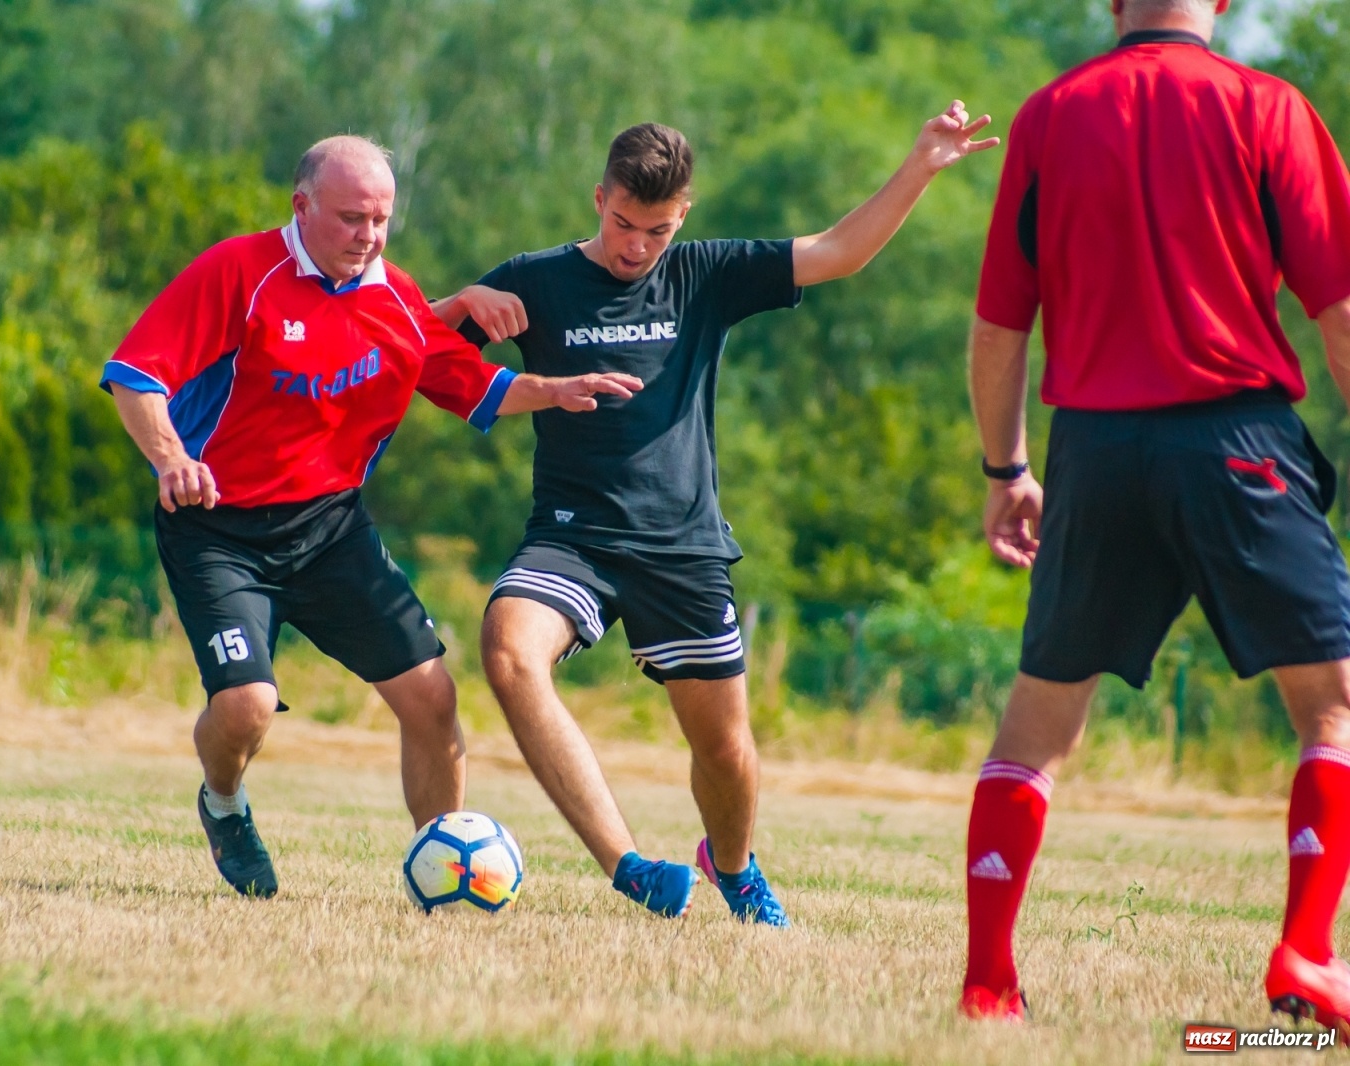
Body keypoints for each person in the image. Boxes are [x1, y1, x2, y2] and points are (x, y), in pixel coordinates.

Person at [432, 108, 998, 922]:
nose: (636, 246)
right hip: (572, 536)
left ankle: (732, 867)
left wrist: (922, 163)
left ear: (683, 216)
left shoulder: (704, 274)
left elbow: (840, 252)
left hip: (682, 546)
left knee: (726, 751)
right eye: (623, 223)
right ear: (599, 199)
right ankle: (628, 867)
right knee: (509, 653)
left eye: (656, 230)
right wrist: (462, 299)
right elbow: (416, 351)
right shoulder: (537, 279)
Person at [102, 135, 641, 898]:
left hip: (330, 530)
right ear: (302, 207)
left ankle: (448, 870)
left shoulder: (395, 297)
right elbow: (135, 376)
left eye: (382, 218)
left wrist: (550, 388)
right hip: (216, 526)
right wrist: (170, 459)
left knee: (432, 695)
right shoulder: (238, 273)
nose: (370, 235)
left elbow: (474, 385)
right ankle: (223, 803)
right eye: (353, 217)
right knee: (247, 706)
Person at [964, 0, 1350, 1025]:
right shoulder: (1269, 107)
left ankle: (987, 979)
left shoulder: (1048, 115)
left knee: (1036, 722)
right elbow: (1340, 313)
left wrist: (1005, 467)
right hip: (1236, 444)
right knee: (1332, 704)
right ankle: (1306, 954)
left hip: (1092, 448)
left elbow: (1000, 325)